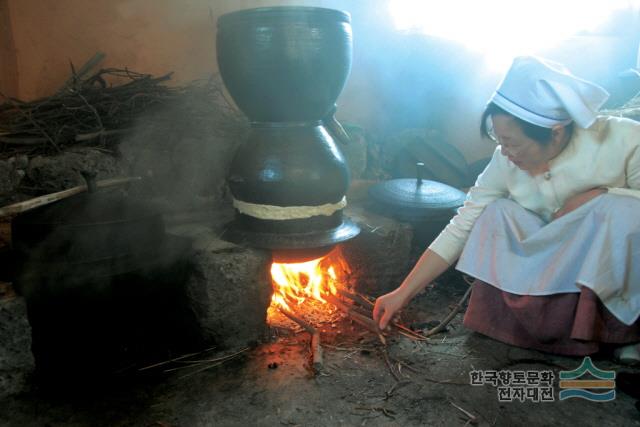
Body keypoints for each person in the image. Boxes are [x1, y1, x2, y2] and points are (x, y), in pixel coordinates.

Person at [373, 55, 640, 361]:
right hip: (546, 255)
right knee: (495, 212)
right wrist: (402, 293)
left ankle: (623, 332)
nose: (506, 153)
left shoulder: (623, 139)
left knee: (623, 209)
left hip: (596, 258)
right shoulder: (505, 158)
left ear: (555, 131)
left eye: (513, 143)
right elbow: (462, 224)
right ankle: (522, 326)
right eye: (498, 140)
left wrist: (601, 193)